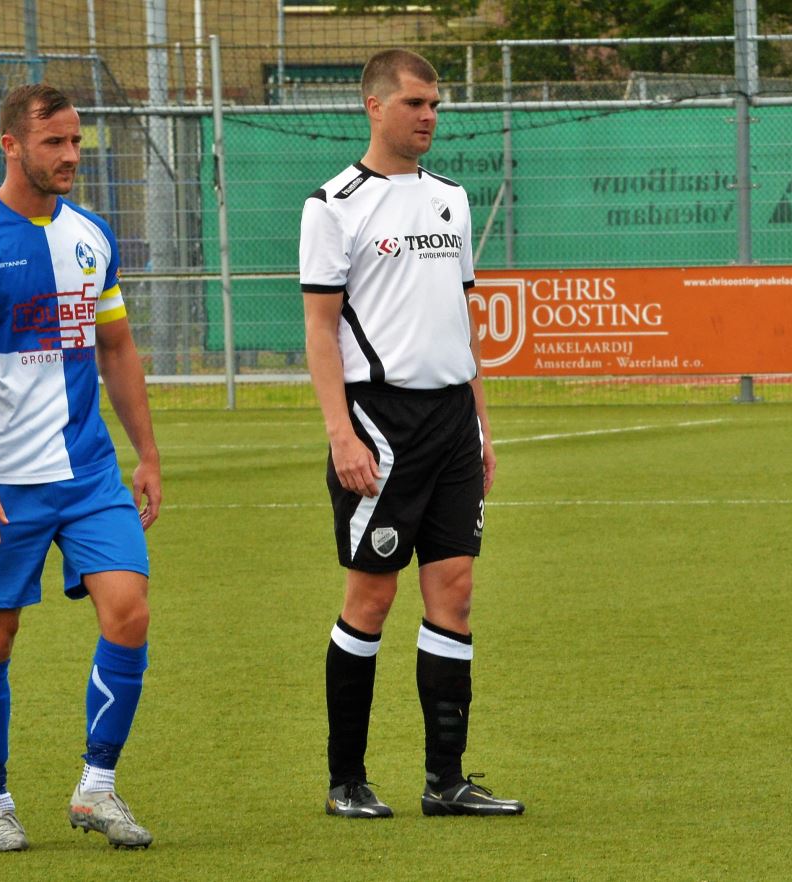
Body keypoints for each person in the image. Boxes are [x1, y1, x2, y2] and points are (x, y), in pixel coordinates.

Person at [0, 83, 162, 851]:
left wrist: (146, 453)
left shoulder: (92, 236)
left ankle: (97, 788)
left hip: (88, 472)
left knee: (130, 609)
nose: (70, 157)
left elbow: (115, 347)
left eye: (77, 142)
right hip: (1, 481)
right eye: (55, 143)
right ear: (11, 145)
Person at [299, 48, 523, 819]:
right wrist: (341, 434)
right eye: (415, 103)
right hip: (378, 423)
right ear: (374, 107)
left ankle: (445, 781)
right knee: (370, 596)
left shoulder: (450, 199)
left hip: (452, 423)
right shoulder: (333, 204)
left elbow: (462, 321)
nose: (428, 116)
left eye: (435, 105)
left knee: (453, 594)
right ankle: (346, 780)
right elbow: (320, 331)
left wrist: (484, 429)